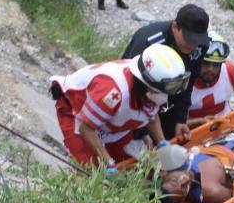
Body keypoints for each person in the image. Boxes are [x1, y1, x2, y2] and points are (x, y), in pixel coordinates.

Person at [49, 44, 188, 169]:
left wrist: (162, 142)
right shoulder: (113, 91)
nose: (165, 97)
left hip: (110, 122)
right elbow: (87, 128)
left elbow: (151, 115)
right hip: (78, 114)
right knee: (92, 171)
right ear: (146, 85)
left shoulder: (149, 92)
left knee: (134, 164)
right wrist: (107, 162)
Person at [122, 4, 210, 141]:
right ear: (175, 27)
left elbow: (188, 81)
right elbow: (131, 88)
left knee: (168, 142)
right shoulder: (149, 41)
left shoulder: (201, 45)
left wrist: (180, 119)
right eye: (189, 40)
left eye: (197, 41)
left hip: (170, 97)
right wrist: (142, 131)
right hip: (137, 98)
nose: (193, 46)